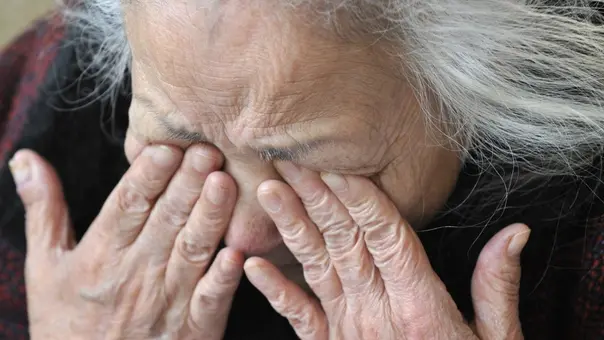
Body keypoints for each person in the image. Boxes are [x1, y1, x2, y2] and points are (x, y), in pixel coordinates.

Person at [0, 0, 603, 339]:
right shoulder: (44, 97)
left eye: (306, 165)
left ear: (481, 96)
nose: (239, 235)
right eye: (178, 141)